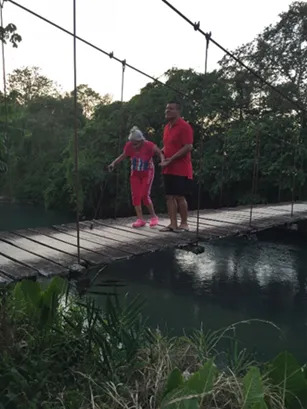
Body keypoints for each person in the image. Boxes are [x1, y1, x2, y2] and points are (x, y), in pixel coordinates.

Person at [108, 126, 163, 228]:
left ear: (141, 141)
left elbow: (159, 152)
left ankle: (154, 216)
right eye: (132, 144)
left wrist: (162, 161)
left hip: (147, 172)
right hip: (136, 173)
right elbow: (123, 155)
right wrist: (113, 163)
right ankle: (140, 219)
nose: (134, 146)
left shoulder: (148, 145)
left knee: (144, 195)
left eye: (136, 144)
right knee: (135, 196)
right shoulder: (129, 146)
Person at [160, 101, 193, 232]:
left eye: (171, 109)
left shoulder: (185, 126)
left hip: (181, 168)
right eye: (166, 108)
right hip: (168, 167)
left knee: (179, 196)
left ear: (178, 111)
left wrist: (171, 159)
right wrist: (162, 156)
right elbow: (167, 147)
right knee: (169, 196)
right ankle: (173, 224)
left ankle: (184, 223)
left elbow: (188, 146)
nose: (167, 111)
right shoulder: (167, 127)